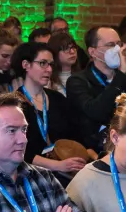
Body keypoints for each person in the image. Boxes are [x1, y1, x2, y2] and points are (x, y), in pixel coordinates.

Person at [66, 25, 126, 153]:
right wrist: (121, 76)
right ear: (92, 51)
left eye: (119, 44)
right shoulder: (78, 81)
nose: (117, 49)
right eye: (111, 45)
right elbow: (97, 112)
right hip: (93, 152)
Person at [12, 42, 83, 176]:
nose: (49, 69)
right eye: (43, 63)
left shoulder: (58, 99)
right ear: (26, 65)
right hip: (30, 172)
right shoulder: (14, 104)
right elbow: (21, 151)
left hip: (63, 167)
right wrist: (57, 165)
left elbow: (73, 135)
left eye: (51, 64)